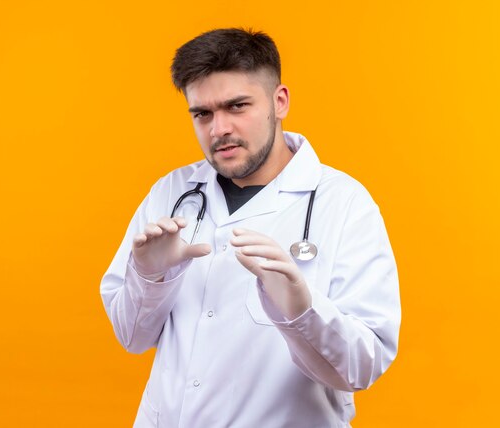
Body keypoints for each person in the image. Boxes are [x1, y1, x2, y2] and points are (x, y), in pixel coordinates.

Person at [101, 28, 401, 428]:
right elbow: (132, 337)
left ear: (280, 102)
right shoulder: (171, 191)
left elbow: (361, 368)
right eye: (202, 113)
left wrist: (301, 309)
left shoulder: (345, 204)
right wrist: (149, 276)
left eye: (237, 106)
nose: (218, 129)